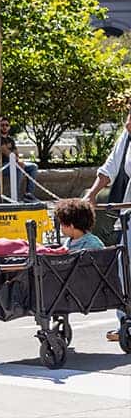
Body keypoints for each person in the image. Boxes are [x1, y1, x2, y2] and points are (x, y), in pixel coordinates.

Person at [83, 108, 131, 342]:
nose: (128, 122)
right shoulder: (128, 136)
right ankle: (126, 322)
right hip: (129, 212)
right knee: (124, 267)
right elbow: (110, 166)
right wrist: (91, 194)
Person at [0, 117, 39, 202]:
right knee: (18, 167)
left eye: (7, 125)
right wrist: (17, 159)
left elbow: (16, 153)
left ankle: (29, 195)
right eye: (2, 125)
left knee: (33, 167)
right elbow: (8, 153)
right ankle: (15, 197)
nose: (4, 127)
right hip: (2, 166)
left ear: (9, 127)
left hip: (14, 163)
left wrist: (18, 160)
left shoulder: (10, 139)